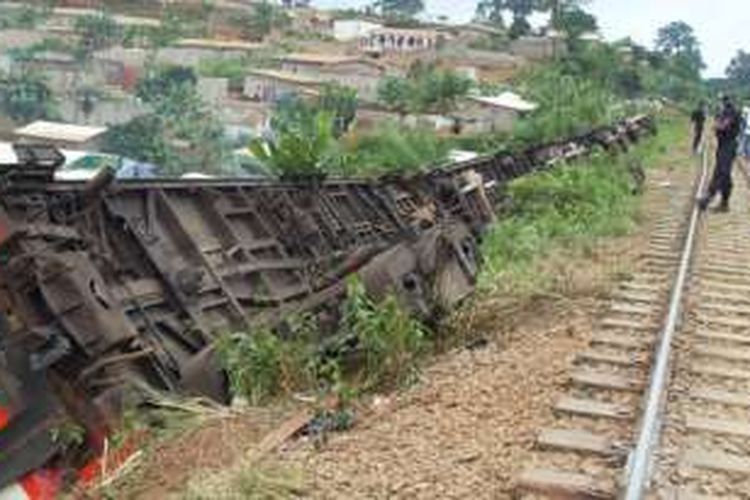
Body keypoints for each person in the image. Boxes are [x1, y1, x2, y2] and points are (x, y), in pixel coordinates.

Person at [698, 95, 743, 212]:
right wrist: (717, 124)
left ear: (725, 101)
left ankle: (709, 196)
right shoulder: (725, 112)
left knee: (722, 171)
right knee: (725, 174)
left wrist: (717, 125)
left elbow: (723, 126)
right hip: (723, 145)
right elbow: (719, 125)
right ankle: (724, 204)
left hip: (728, 145)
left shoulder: (731, 111)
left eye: (721, 101)